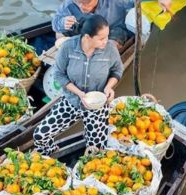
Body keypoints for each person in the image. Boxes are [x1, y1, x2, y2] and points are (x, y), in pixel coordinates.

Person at [33, 15, 123, 155]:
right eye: (101, 38)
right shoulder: (68, 47)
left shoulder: (110, 49)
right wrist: (80, 94)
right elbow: (58, 74)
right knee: (40, 135)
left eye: (107, 37)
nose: (106, 41)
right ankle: (50, 155)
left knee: (96, 149)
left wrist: (108, 87)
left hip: (97, 105)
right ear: (87, 37)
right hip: (72, 101)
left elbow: (117, 70)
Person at [52, 0, 172, 49]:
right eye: (79, 3)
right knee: (60, 31)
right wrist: (62, 23)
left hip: (112, 30)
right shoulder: (69, 4)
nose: (83, 7)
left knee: (113, 43)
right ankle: (66, 51)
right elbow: (55, 22)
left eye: (87, 3)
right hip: (86, 31)